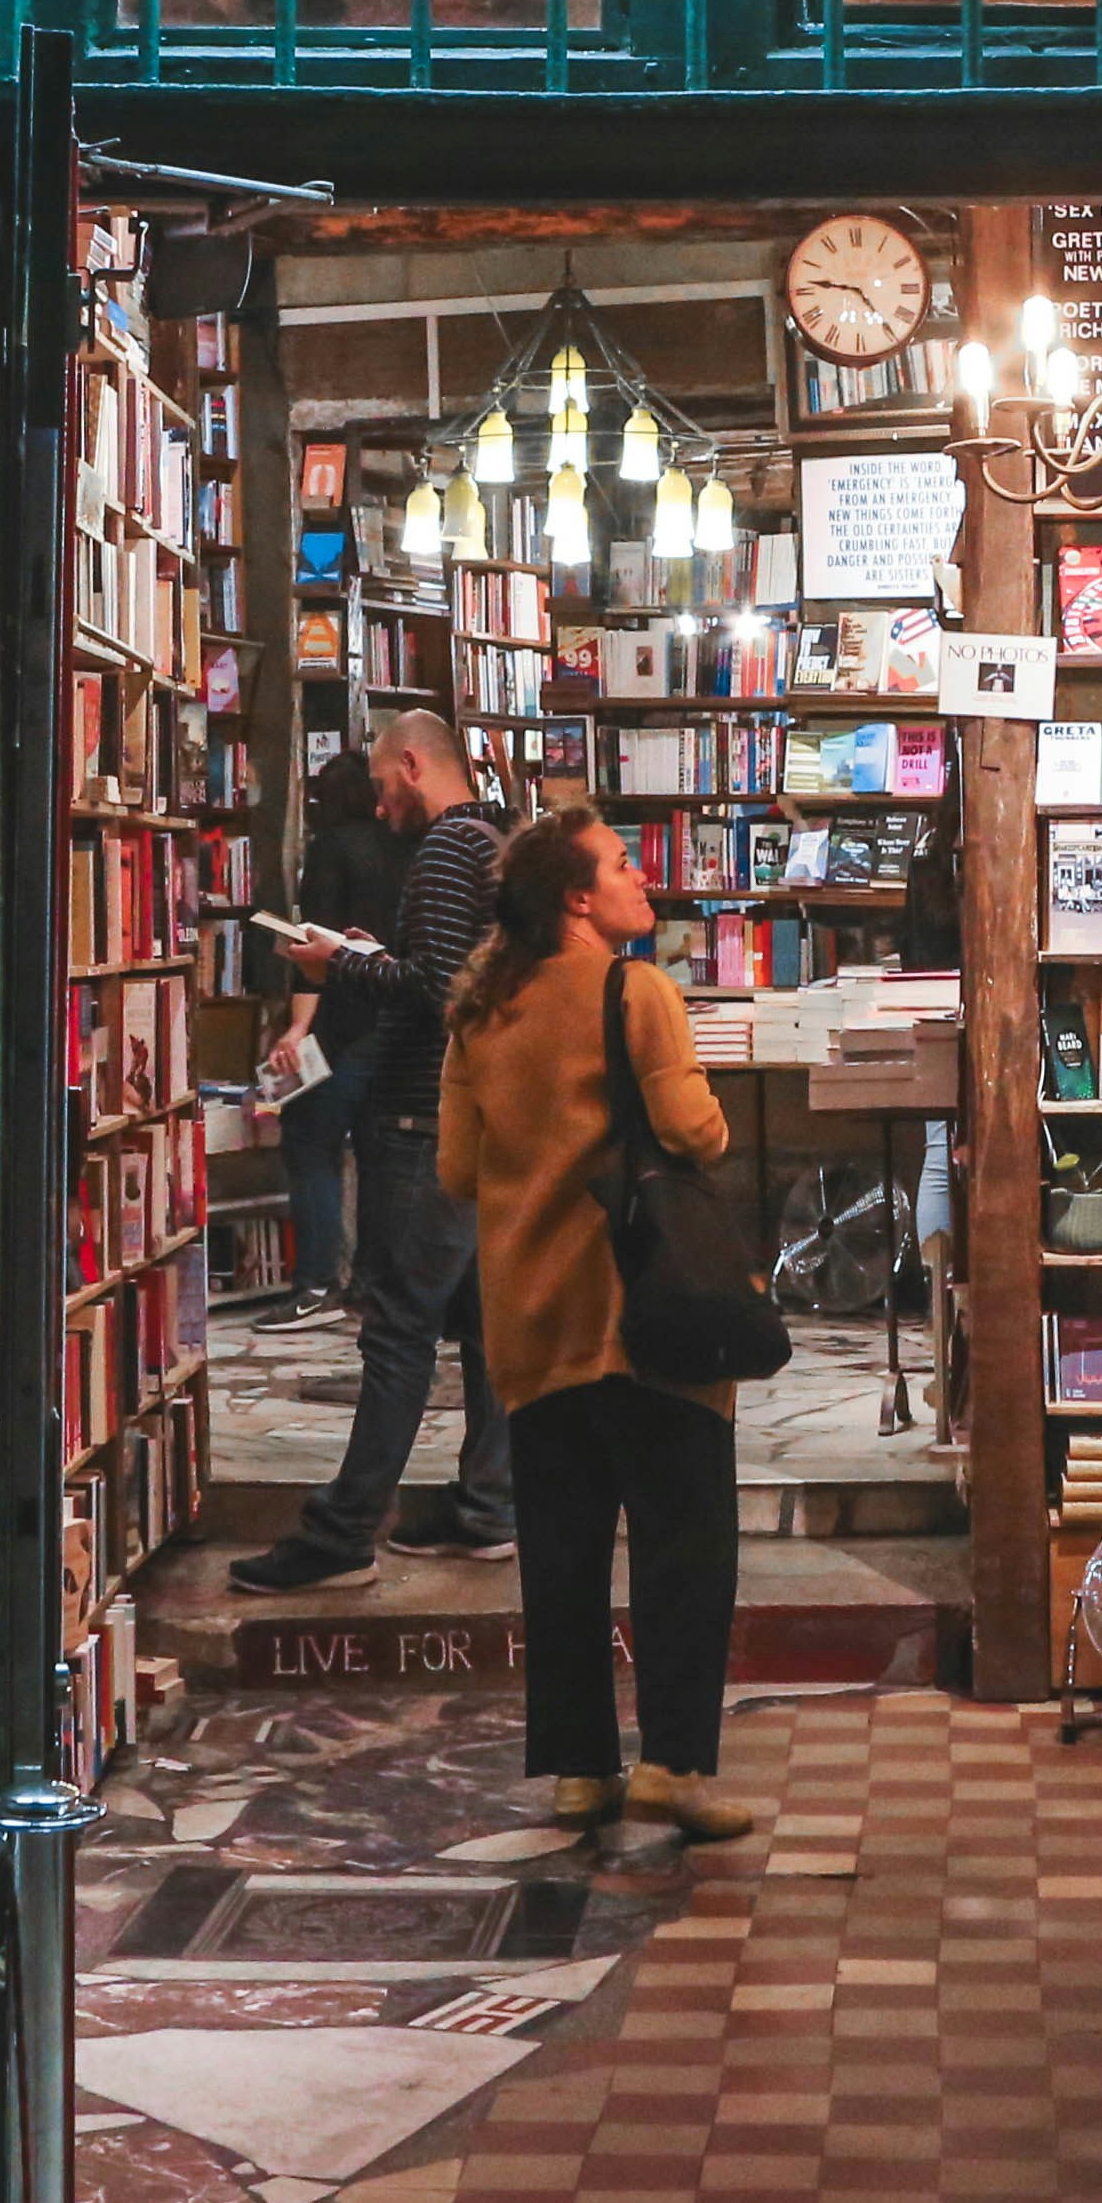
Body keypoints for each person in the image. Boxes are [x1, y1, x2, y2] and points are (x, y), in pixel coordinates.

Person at [436, 804, 753, 1841]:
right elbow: (691, 1128)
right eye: (620, 864)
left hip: (530, 1319)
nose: (639, 876)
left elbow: (453, 1169)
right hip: (645, 1316)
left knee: (561, 1557)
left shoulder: (480, 1011)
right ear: (577, 897)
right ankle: (673, 1767)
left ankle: (578, 1773)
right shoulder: (637, 989)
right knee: (682, 1543)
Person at [227, 709, 515, 1587]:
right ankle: (486, 1508)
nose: (378, 796)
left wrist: (335, 962)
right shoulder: (496, 842)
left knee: (396, 1328)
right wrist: (376, 951)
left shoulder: (442, 851)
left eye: (384, 776)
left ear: (414, 762)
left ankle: (343, 1532)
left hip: (417, 1117)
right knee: (482, 1329)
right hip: (468, 1113)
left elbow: (436, 991)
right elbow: (461, 973)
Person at [261, 750, 402, 1316]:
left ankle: (315, 1283)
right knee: (378, 1154)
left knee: (311, 1144)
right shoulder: (408, 845)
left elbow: (312, 948)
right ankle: (371, 1280)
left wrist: (297, 1027)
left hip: (339, 1024)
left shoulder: (331, 850)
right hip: (393, 1020)